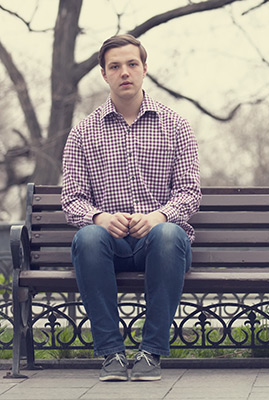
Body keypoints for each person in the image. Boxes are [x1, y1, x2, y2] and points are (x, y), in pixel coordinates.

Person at [61, 34, 201, 382]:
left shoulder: (176, 126)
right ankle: (111, 353)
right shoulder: (83, 133)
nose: (125, 72)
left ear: (144, 69)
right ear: (104, 74)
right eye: (115, 66)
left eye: (132, 64)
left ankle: (151, 353)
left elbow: (189, 192)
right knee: (89, 237)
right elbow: (72, 199)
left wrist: (158, 217)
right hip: (112, 247)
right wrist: (99, 217)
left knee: (168, 233)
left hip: (163, 246)